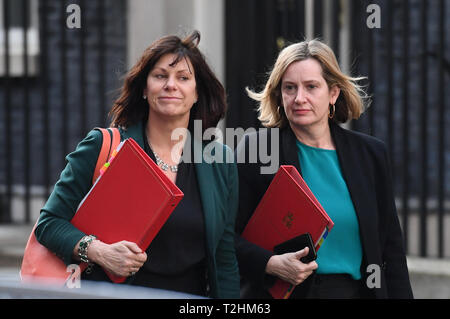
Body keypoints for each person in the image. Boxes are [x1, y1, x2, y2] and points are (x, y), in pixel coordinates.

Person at [35, 30, 240, 299]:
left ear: (197, 92)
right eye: (160, 76)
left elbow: (224, 256)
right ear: (144, 88)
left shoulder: (220, 160)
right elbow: (49, 223)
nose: (170, 85)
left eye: (183, 78)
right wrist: (100, 252)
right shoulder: (102, 146)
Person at [234, 39, 413, 299]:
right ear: (279, 94)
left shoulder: (370, 154)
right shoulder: (257, 150)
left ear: (333, 93)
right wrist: (270, 264)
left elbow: (391, 250)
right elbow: (227, 237)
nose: (299, 98)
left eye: (311, 87)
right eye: (289, 88)